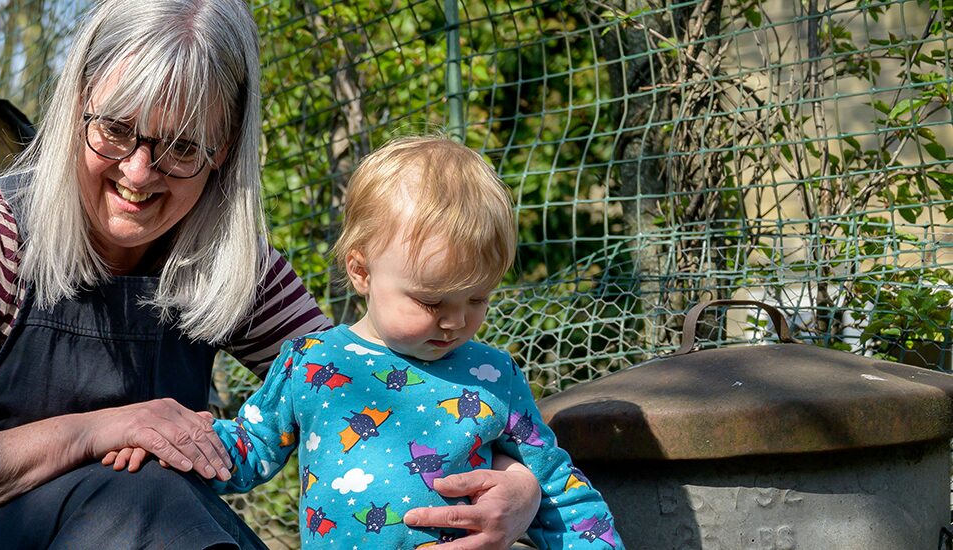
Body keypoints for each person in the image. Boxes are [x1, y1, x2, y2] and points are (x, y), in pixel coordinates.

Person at [0, 1, 545, 548]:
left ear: (225, 146)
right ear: (76, 100)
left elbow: (375, 384)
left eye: (179, 147)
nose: (138, 174)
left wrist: (521, 488)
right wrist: (102, 428)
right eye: (114, 129)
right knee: (144, 495)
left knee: (160, 499)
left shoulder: (233, 265)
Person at [109, 136, 618, 548]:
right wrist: (172, 448)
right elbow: (248, 449)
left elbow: (559, 490)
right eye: (432, 301)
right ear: (361, 272)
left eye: (477, 300)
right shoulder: (312, 363)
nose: (455, 322)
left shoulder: (492, 375)